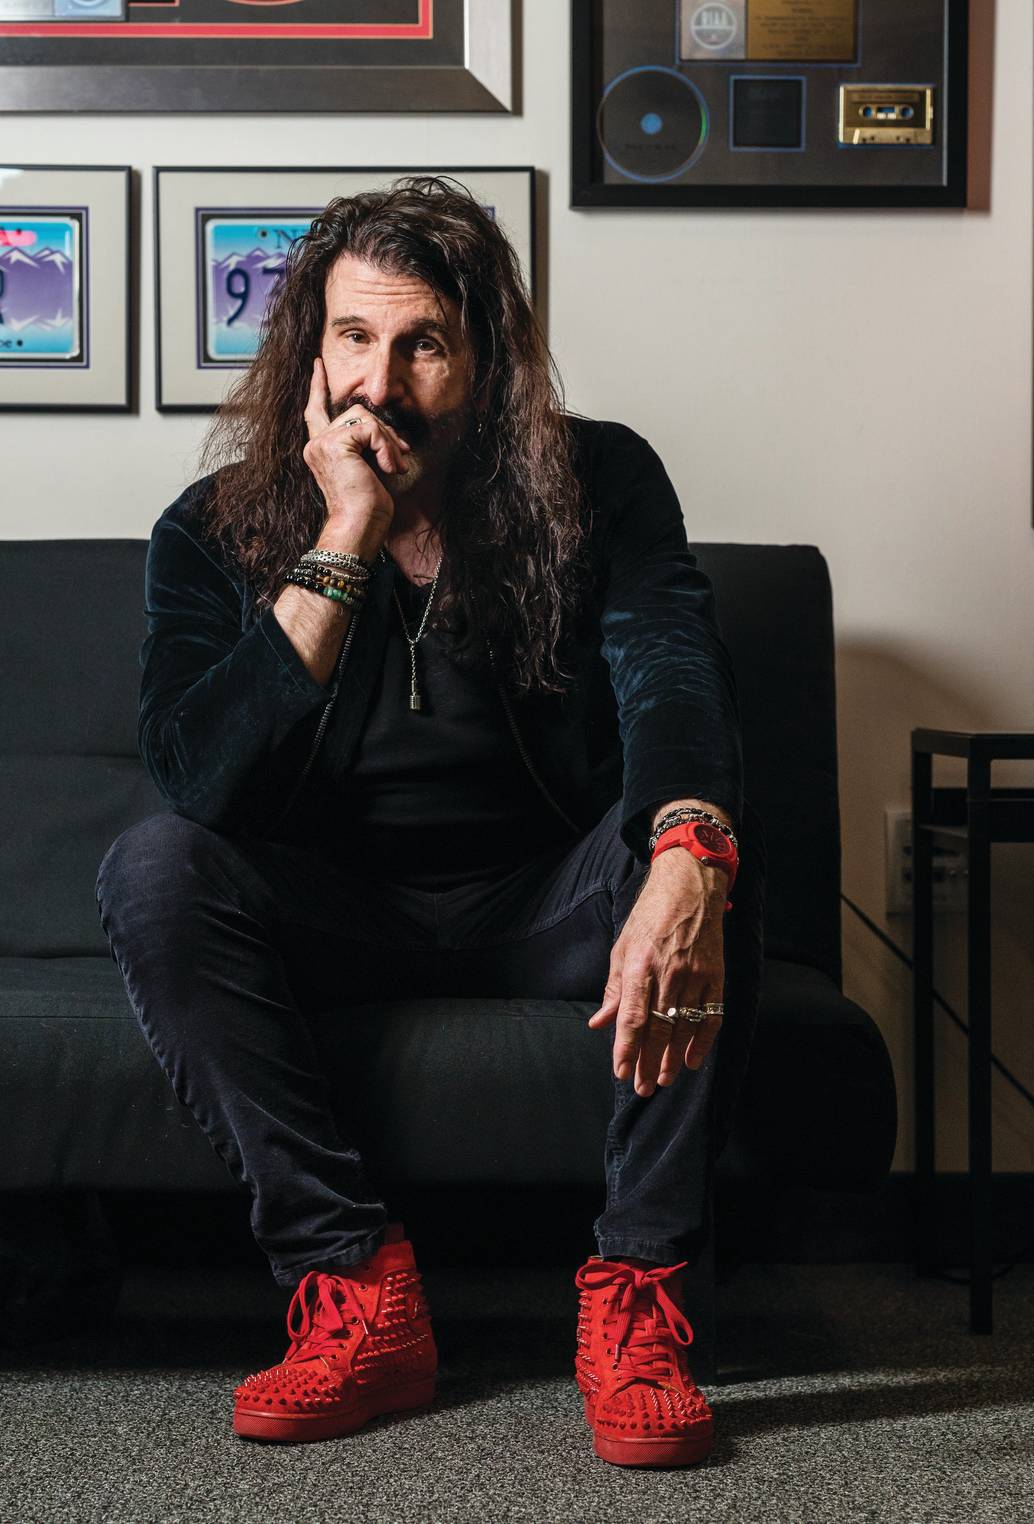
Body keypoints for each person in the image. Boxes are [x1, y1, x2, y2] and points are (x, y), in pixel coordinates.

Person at [95, 176, 764, 1470]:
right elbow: (198, 781)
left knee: (699, 842)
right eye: (353, 337)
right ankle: (354, 1288)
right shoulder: (212, 529)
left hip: (549, 896)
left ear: (488, 360)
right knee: (153, 867)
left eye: (423, 345)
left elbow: (673, 674)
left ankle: (641, 1298)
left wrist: (691, 853)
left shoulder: (601, 483)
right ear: (309, 350)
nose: (379, 382)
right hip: (331, 910)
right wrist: (346, 536)